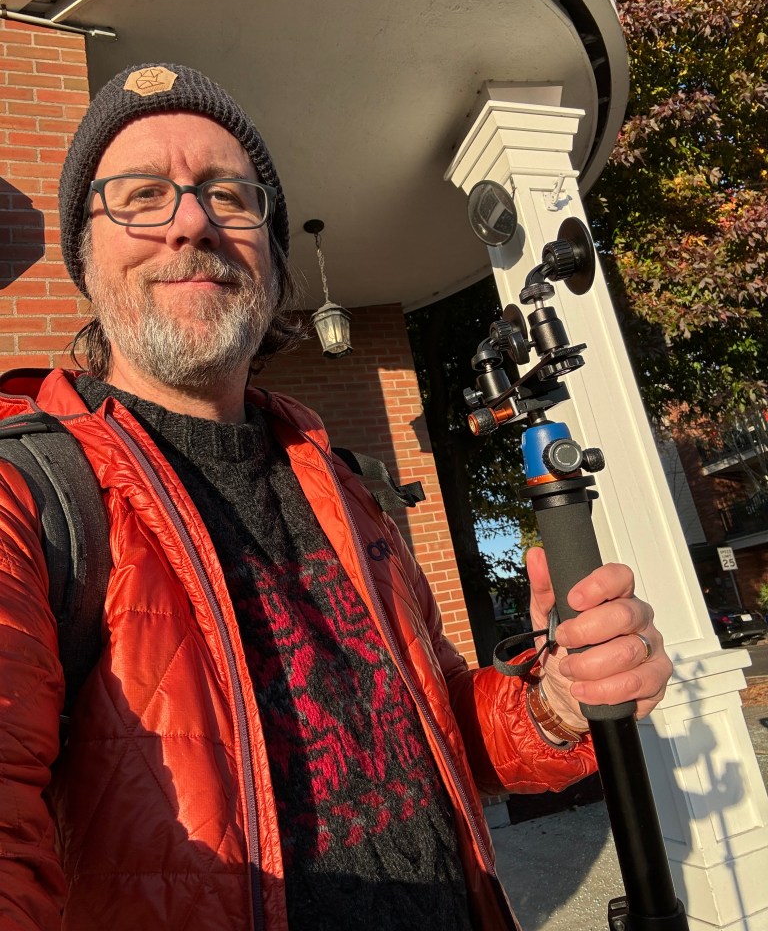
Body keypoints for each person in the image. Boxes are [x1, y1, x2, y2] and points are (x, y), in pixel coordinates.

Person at [0, 63, 673, 931]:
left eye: (228, 196)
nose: (192, 222)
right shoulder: (28, 498)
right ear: (85, 259)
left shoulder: (347, 486)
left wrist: (556, 704)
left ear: (273, 260)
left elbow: (443, 732)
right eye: (141, 196)